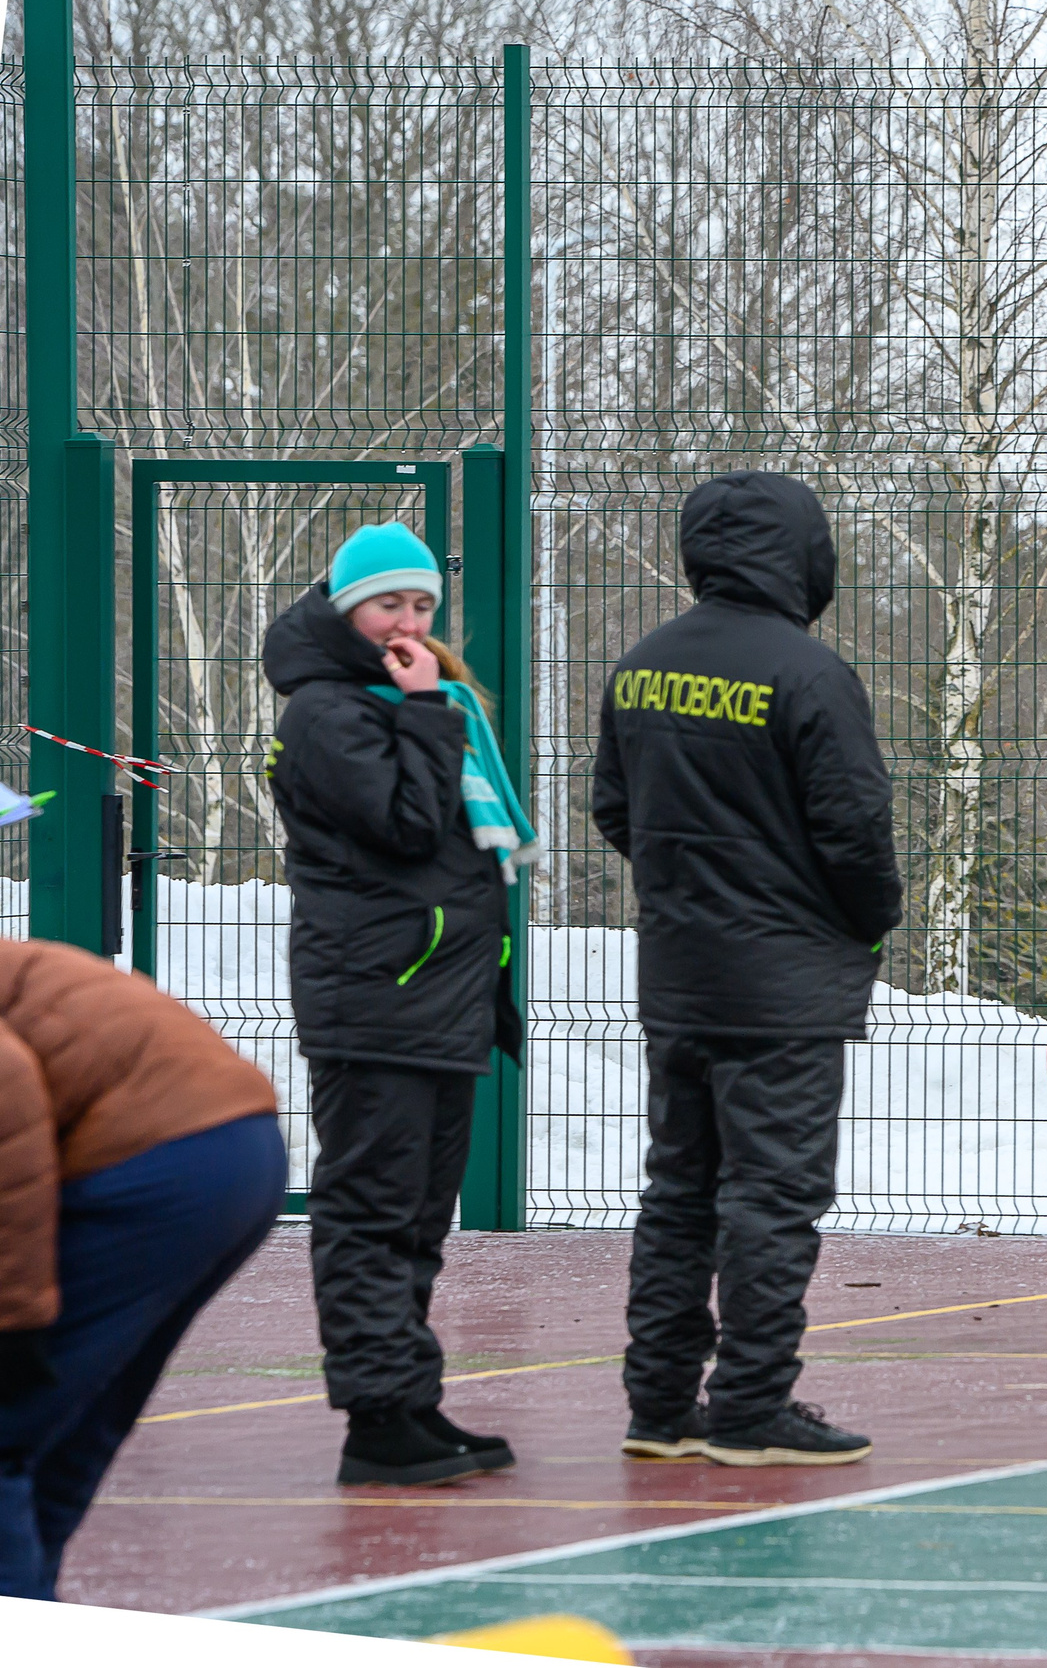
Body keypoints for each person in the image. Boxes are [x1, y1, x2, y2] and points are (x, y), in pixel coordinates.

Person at [594, 471, 902, 1465]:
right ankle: (750, 1405)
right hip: (785, 986)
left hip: (681, 973)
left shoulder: (641, 667)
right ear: (801, 553)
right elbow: (855, 833)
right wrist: (859, 921)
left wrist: (691, 883)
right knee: (771, 1195)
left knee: (678, 1189)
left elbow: (612, 806)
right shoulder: (809, 674)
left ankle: (658, 1403)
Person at [264, 521, 537, 1486]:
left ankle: (410, 1398)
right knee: (372, 1211)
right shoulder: (328, 712)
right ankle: (376, 1417)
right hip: (379, 995)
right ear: (347, 608)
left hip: (437, 999)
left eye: (422, 606)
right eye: (390, 604)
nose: (409, 622)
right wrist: (429, 715)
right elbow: (408, 826)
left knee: (419, 1216)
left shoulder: (395, 700)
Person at [0, 940, 284, 1599]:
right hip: (235, 1146)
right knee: (65, 1436)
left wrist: (14, 1321)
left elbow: (7, 1102)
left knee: (9, 1423)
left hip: (158, 1161)